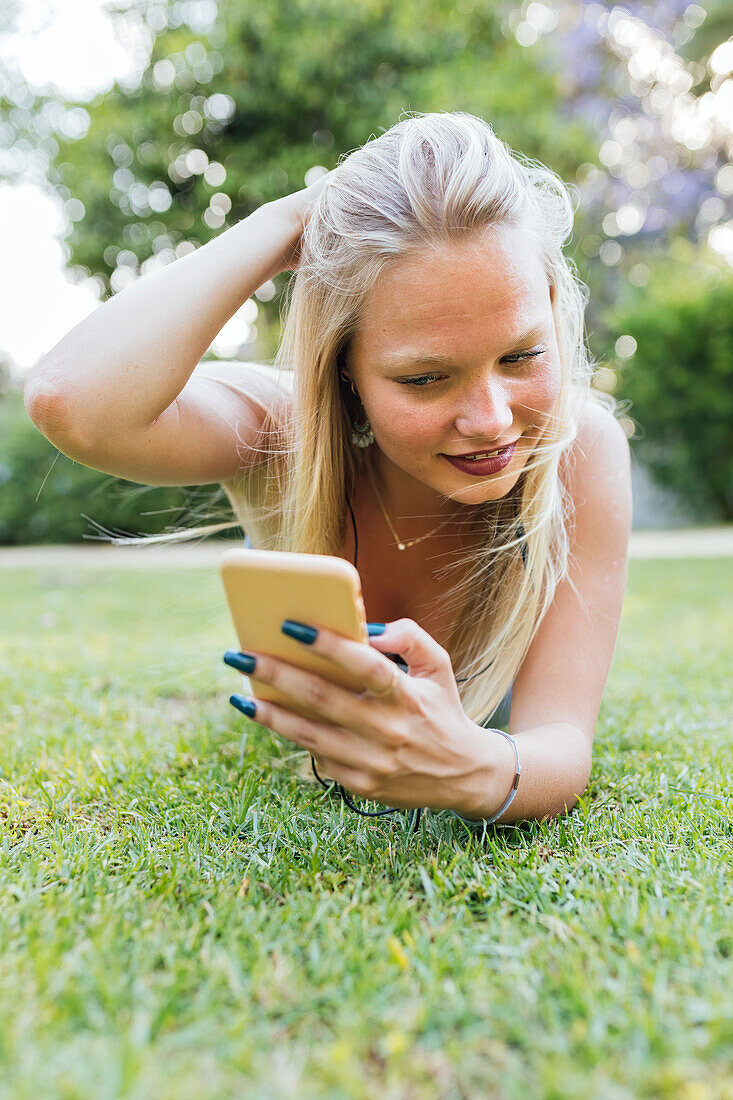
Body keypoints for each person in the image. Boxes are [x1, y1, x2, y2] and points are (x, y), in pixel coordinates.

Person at [24, 110, 632, 828]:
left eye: (521, 356)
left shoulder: (579, 451)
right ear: (343, 370)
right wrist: (289, 222)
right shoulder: (280, 429)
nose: (492, 419)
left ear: (553, 313)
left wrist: (477, 769)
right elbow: (75, 402)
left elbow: (559, 742)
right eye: (425, 378)